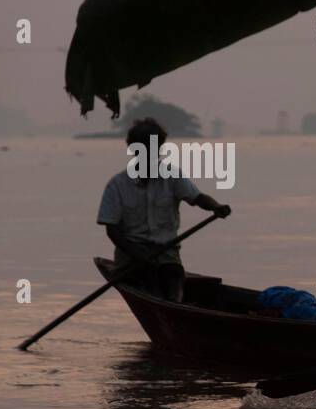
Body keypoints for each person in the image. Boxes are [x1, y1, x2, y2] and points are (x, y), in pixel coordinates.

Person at [96, 117, 231, 302]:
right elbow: (112, 229)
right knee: (147, 276)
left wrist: (216, 207)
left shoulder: (172, 176)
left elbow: (198, 198)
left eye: (154, 149)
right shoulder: (118, 185)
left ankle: (174, 306)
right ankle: (162, 303)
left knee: (174, 274)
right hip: (131, 253)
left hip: (166, 250)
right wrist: (136, 253)